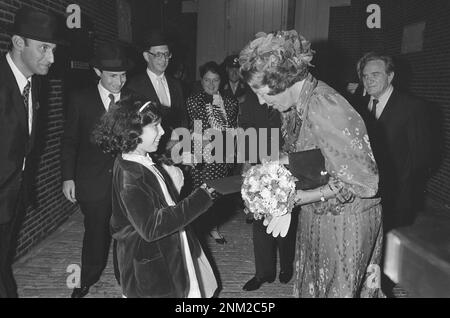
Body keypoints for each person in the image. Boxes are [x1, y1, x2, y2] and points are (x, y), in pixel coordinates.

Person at [239, 30, 384, 297]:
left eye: (262, 91)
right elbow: (324, 154)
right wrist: (283, 161)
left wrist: (296, 198)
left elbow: (362, 182)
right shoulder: (298, 103)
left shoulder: (325, 104)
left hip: (346, 220)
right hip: (321, 214)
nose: (261, 101)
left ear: (282, 80)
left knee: (336, 288)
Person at [92, 97, 218, 298]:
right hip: (152, 268)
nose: (162, 131)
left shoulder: (137, 160)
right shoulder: (130, 175)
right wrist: (200, 199)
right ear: (132, 131)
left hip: (165, 253)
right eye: (155, 126)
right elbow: (151, 227)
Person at [61, 42, 133, 298]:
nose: (119, 82)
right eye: (113, 75)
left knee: (125, 232)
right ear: (97, 71)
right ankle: (88, 277)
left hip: (125, 180)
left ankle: (124, 276)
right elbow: (69, 141)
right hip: (91, 180)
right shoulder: (80, 99)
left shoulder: (132, 100)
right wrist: (68, 177)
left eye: (123, 75)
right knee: (95, 231)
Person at [0, 7, 58, 298]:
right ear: (19, 42)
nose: (51, 58)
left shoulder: (35, 84)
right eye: (44, 48)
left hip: (13, 199)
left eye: (53, 49)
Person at [357, 52, 432, 233]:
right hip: (367, 193)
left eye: (375, 75)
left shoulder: (412, 107)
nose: (369, 81)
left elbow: (422, 156)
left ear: (390, 76)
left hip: (398, 196)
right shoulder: (359, 105)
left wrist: (404, 185)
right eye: (365, 76)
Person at [238, 90, 298, 291]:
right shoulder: (251, 100)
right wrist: (247, 161)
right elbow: (245, 130)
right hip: (260, 164)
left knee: (285, 216)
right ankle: (264, 272)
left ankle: (286, 265)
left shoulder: (291, 95)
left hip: (287, 164)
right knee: (260, 219)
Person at [186, 61, 238, 244]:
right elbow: (199, 127)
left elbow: (231, 129)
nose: (210, 84)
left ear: (221, 81)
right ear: (201, 81)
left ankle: (213, 227)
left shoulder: (230, 102)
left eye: (215, 80)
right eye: (207, 80)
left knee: (218, 195)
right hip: (202, 155)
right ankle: (197, 230)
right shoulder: (193, 101)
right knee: (200, 194)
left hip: (222, 154)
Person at [127, 30, 188, 154]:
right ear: (146, 56)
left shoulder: (176, 85)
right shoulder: (134, 85)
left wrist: (181, 142)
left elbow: (183, 118)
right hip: (148, 151)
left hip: (174, 150)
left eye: (166, 54)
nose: (164, 59)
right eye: (158, 55)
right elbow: (131, 124)